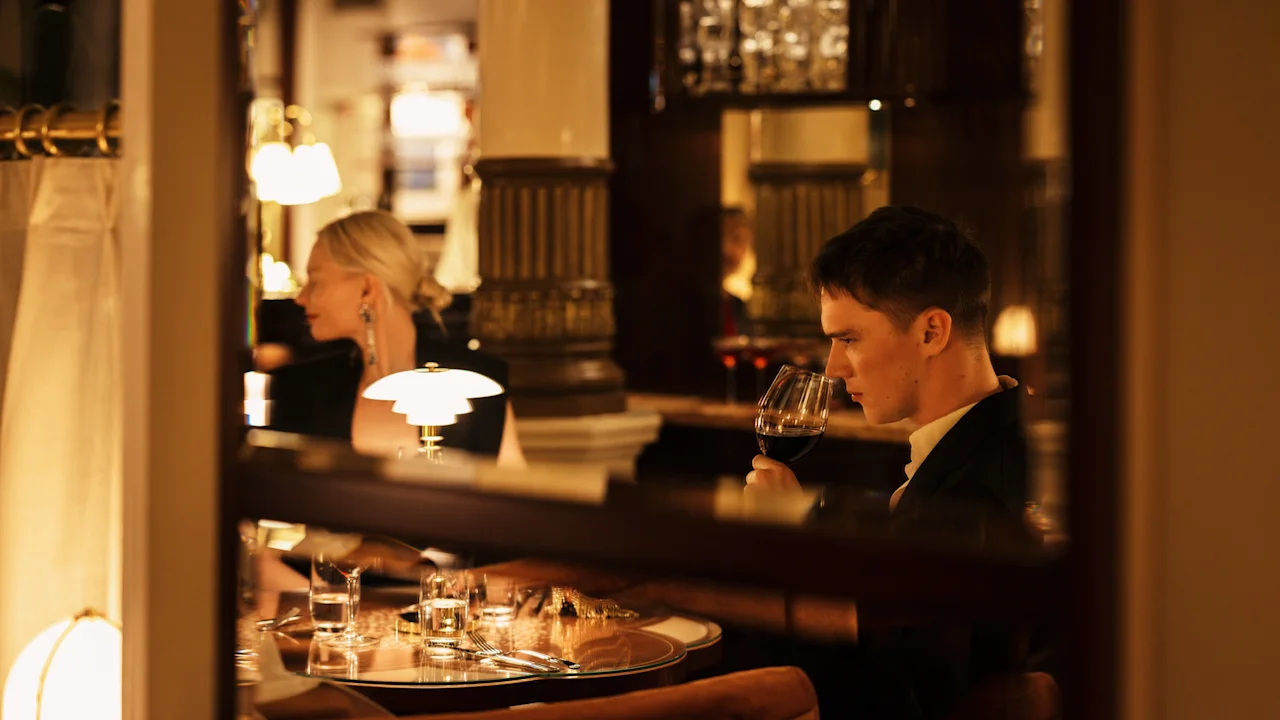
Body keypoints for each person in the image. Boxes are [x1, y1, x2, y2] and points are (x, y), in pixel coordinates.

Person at [746, 205, 1027, 520]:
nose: (833, 368)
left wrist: (794, 528)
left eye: (849, 340)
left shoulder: (977, 497)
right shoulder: (990, 442)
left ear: (931, 332)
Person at [266, 210, 526, 466]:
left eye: (315, 280)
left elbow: (512, 494)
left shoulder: (477, 382)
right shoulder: (301, 387)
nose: (301, 297)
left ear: (367, 289)